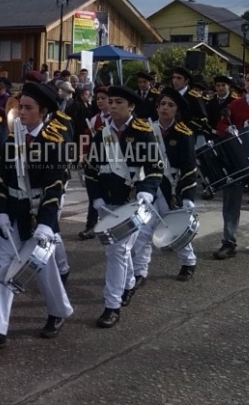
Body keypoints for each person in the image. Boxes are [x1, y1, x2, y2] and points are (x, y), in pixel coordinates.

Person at [0, 81, 73, 351]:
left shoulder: (54, 141)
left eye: (28, 108)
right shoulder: (11, 139)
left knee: (45, 268)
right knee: (5, 266)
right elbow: (1, 181)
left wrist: (45, 224)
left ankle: (58, 311)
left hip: (41, 212)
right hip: (14, 213)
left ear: (43, 112)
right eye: (20, 107)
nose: (21, 112)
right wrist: (2, 213)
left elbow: (55, 186)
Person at [83, 85, 162, 328]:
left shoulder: (143, 132)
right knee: (116, 250)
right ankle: (128, 284)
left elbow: (155, 168)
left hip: (133, 204)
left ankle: (111, 305)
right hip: (107, 204)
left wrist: (147, 193)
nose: (113, 105)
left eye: (119, 102)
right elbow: (91, 172)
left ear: (131, 107)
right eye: (111, 101)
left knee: (117, 251)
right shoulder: (101, 134)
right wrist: (95, 198)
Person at [131, 87, 198, 284]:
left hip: (172, 189)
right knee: (143, 231)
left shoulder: (183, 133)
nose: (165, 108)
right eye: (162, 104)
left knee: (173, 229)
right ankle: (139, 271)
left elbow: (189, 167)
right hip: (149, 188)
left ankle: (188, 262)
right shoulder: (146, 130)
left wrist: (187, 196)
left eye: (170, 105)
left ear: (177, 110)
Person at [214, 67, 249, 259]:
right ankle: (228, 242)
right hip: (237, 159)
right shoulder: (235, 104)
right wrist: (226, 128)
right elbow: (221, 124)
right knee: (231, 202)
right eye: (247, 80)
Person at [78, 86, 110, 240]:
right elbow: (86, 138)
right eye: (98, 98)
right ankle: (90, 226)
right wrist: (83, 153)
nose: (100, 101)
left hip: (112, 162)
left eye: (104, 98)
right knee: (94, 195)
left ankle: (109, 225)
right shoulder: (94, 119)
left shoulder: (115, 119)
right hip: (95, 160)